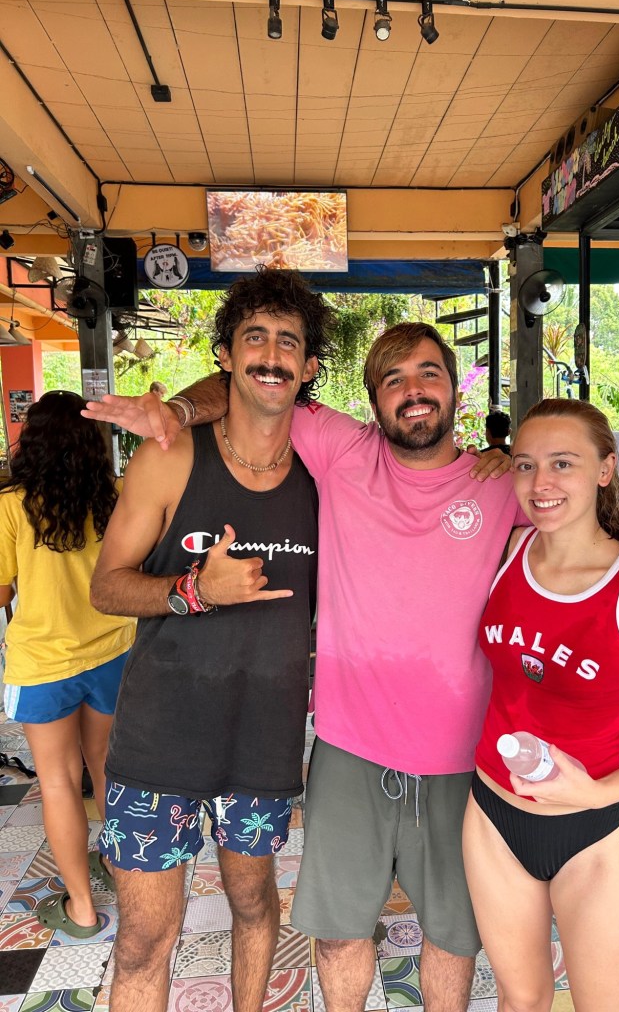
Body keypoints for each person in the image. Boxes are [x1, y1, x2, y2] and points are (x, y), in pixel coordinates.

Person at [83, 320, 619, 1012]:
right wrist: (178, 409)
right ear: (373, 402)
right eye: (392, 379)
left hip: (464, 765)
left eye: (428, 374)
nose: (413, 390)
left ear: (455, 391)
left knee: (453, 939)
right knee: (339, 938)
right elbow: (259, 385)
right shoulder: (340, 450)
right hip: (349, 751)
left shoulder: (499, 484)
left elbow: (573, 507)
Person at [88, 270, 331, 1012]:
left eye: (288, 341)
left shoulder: (326, 475)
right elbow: (106, 586)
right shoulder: (171, 457)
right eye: (254, 337)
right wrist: (193, 591)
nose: (271, 355)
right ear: (226, 355)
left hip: (263, 743)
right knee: (142, 942)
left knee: (255, 907)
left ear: (309, 367)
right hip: (159, 743)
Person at [463, 398, 619, 1012]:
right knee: (521, 1000)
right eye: (525, 464)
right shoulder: (503, 552)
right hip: (492, 816)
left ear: (605, 469)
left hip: (594, 833)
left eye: (563, 463)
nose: (540, 483)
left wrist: (597, 793)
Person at [0, 391, 135, 937]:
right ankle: (122, 872)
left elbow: (1, 591)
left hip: (43, 664)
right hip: (112, 651)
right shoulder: (114, 496)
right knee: (106, 768)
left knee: (57, 782)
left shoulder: (12, 505)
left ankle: (81, 908)